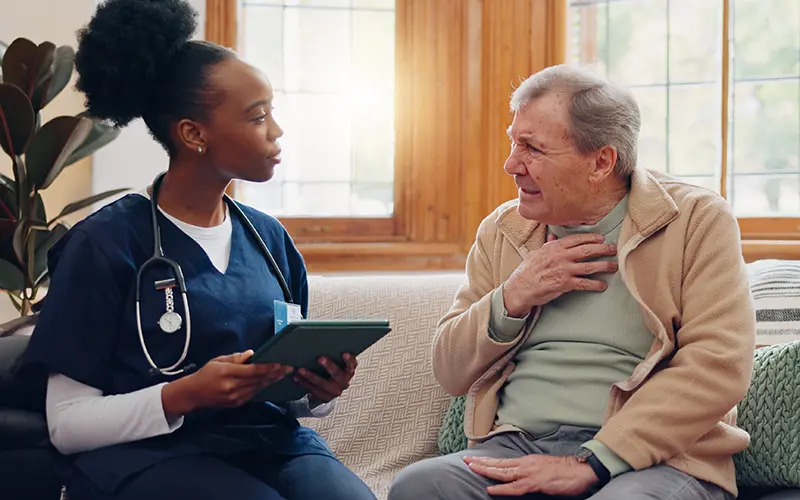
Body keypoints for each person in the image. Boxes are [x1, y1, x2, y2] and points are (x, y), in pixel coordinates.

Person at [21, 1, 376, 499]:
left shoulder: (269, 239)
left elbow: (288, 393)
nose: (276, 132)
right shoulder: (104, 244)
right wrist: (181, 396)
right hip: (145, 457)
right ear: (194, 134)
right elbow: (67, 424)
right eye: (257, 118)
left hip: (269, 445)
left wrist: (317, 392)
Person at [389, 64, 756, 500]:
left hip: (655, 459)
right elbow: (449, 371)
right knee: (419, 486)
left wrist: (594, 461)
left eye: (533, 148)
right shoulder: (504, 231)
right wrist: (512, 296)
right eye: (513, 142)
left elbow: (718, 365)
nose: (511, 164)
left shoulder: (696, 219)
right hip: (516, 446)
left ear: (601, 161)